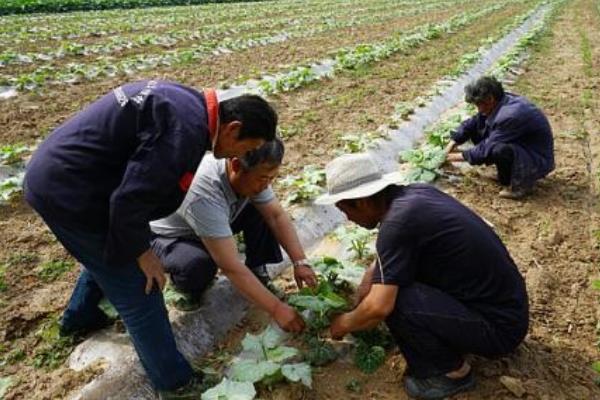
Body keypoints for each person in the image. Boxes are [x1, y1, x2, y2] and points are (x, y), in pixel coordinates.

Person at [23, 80, 278, 398]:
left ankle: (79, 319)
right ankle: (176, 384)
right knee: (140, 289)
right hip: (71, 190)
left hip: (66, 175)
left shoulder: (189, 104)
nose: (244, 155)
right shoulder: (183, 131)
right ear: (233, 128)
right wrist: (144, 252)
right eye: (249, 147)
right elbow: (128, 202)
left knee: (108, 253)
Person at [317, 154, 529, 400]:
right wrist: (370, 277)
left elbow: (378, 309)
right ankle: (455, 339)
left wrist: (342, 323)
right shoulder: (415, 196)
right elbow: (392, 254)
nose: (348, 219)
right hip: (508, 313)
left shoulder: (397, 224)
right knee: (391, 284)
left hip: (499, 331)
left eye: (344, 210)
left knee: (397, 302)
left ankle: (451, 373)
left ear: (362, 202)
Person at [150, 137, 317, 319]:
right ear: (236, 165)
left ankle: (257, 270)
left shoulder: (253, 173)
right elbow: (230, 265)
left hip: (209, 223)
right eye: (262, 178)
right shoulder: (203, 192)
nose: (266, 185)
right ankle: (184, 288)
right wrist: (277, 309)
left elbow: (275, 216)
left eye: (271, 178)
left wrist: (300, 262)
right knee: (196, 264)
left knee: (262, 210)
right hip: (168, 236)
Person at [445, 76, 554, 199]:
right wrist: (452, 144)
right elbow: (474, 122)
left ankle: (520, 186)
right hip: (523, 148)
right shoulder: (499, 102)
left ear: (490, 99)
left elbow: (487, 148)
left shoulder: (510, 115)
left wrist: (452, 157)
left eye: (478, 104)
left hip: (536, 158)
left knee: (498, 149)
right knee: (488, 136)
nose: (478, 109)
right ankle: (506, 177)